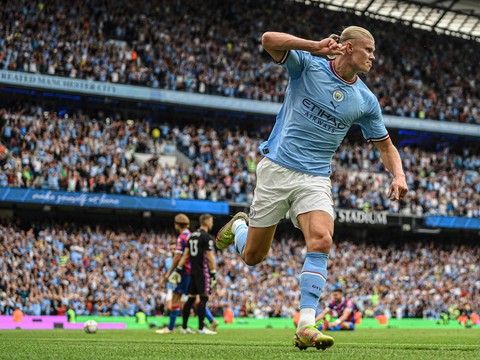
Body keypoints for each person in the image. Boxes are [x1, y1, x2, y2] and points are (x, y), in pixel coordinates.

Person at [215, 26, 408, 350]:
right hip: (277, 169)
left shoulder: (365, 100)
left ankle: (306, 324)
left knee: (322, 238)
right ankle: (238, 228)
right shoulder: (307, 64)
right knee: (253, 256)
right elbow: (268, 41)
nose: (374, 56)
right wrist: (314, 46)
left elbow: (386, 146)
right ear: (348, 47)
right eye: (369, 49)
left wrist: (399, 175)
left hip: (315, 177)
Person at [173, 214, 218, 335]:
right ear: (207, 222)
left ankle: (184, 327)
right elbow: (210, 257)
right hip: (202, 272)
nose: (212, 224)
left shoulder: (192, 236)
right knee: (203, 298)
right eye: (211, 221)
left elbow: (185, 255)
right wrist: (213, 273)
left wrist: (178, 269)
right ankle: (201, 328)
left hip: (192, 272)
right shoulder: (206, 237)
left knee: (191, 299)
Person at [156, 214, 192, 334]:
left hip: (183, 271)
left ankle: (170, 328)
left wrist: (170, 272)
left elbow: (177, 257)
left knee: (176, 299)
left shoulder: (181, 237)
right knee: (193, 299)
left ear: (176, 225)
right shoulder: (191, 236)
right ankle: (187, 327)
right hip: (192, 271)